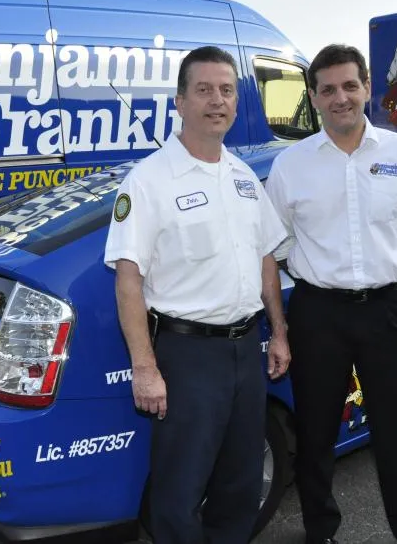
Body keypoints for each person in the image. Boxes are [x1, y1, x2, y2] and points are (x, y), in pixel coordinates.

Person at [104, 45, 290, 544]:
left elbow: (266, 259)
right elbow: (128, 279)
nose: (217, 100)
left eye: (226, 90)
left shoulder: (244, 177)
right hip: (186, 356)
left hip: (245, 350)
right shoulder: (148, 181)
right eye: (203, 90)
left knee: (241, 480)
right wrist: (145, 369)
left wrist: (279, 333)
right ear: (180, 102)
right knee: (179, 489)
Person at [266, 44, 397, 544]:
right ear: (314, 99)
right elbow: (275, 248)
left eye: (349, 86)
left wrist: (381, 278)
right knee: (317, 433)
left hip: (387, 311)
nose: (340, 97)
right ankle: (320, 530)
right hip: (318, 313)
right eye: (328, 90)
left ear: (367, 88)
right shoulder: (290, 166)